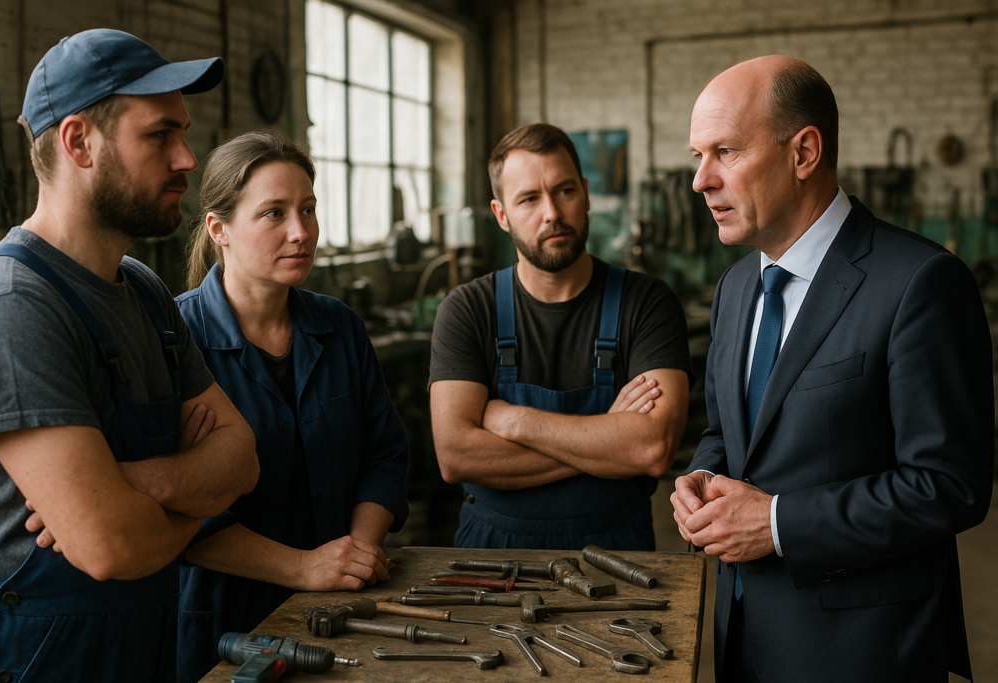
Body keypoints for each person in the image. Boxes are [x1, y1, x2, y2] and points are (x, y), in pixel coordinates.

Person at [671, 55, 994, 683]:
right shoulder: (737, 288)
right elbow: (731, 434)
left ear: (804, 152)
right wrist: (701, 479)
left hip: (861, 650)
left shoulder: (919, 283)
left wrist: (774, 523)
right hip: (741, 638)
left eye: (726, 153)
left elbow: (951, 484)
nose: (700, 180)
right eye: (696, 157)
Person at [0, 29, 260, 683]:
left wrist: (135, 483)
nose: (188, 158)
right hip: (43, 660)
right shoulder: (10, 305)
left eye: (182, 133)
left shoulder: (148, 292)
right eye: (160, 134)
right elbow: (112, 544)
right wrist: (195, 491)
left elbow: (241, 456)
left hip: (144, 652)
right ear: (79, 142)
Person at [175, 131, 409, 682]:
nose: (301, 232)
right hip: (222, 624)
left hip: (341, 612)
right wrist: (305, 567)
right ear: (219, 230)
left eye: (308, 210)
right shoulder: (176, 340)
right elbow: (185, 508)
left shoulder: (341, 327)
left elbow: (384, 455)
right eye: (274, 214)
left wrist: (357, 552)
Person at [430, 123, 693, 550]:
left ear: (586, 193)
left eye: (565, 191)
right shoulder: (466, 311)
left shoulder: (646, 303)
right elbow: (456, 455)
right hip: (491, 556)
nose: (552, 212)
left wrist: (513, 420)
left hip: (618, 556)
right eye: (529, 199)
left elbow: (652, 449)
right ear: (502, 215)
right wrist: (607, 439)